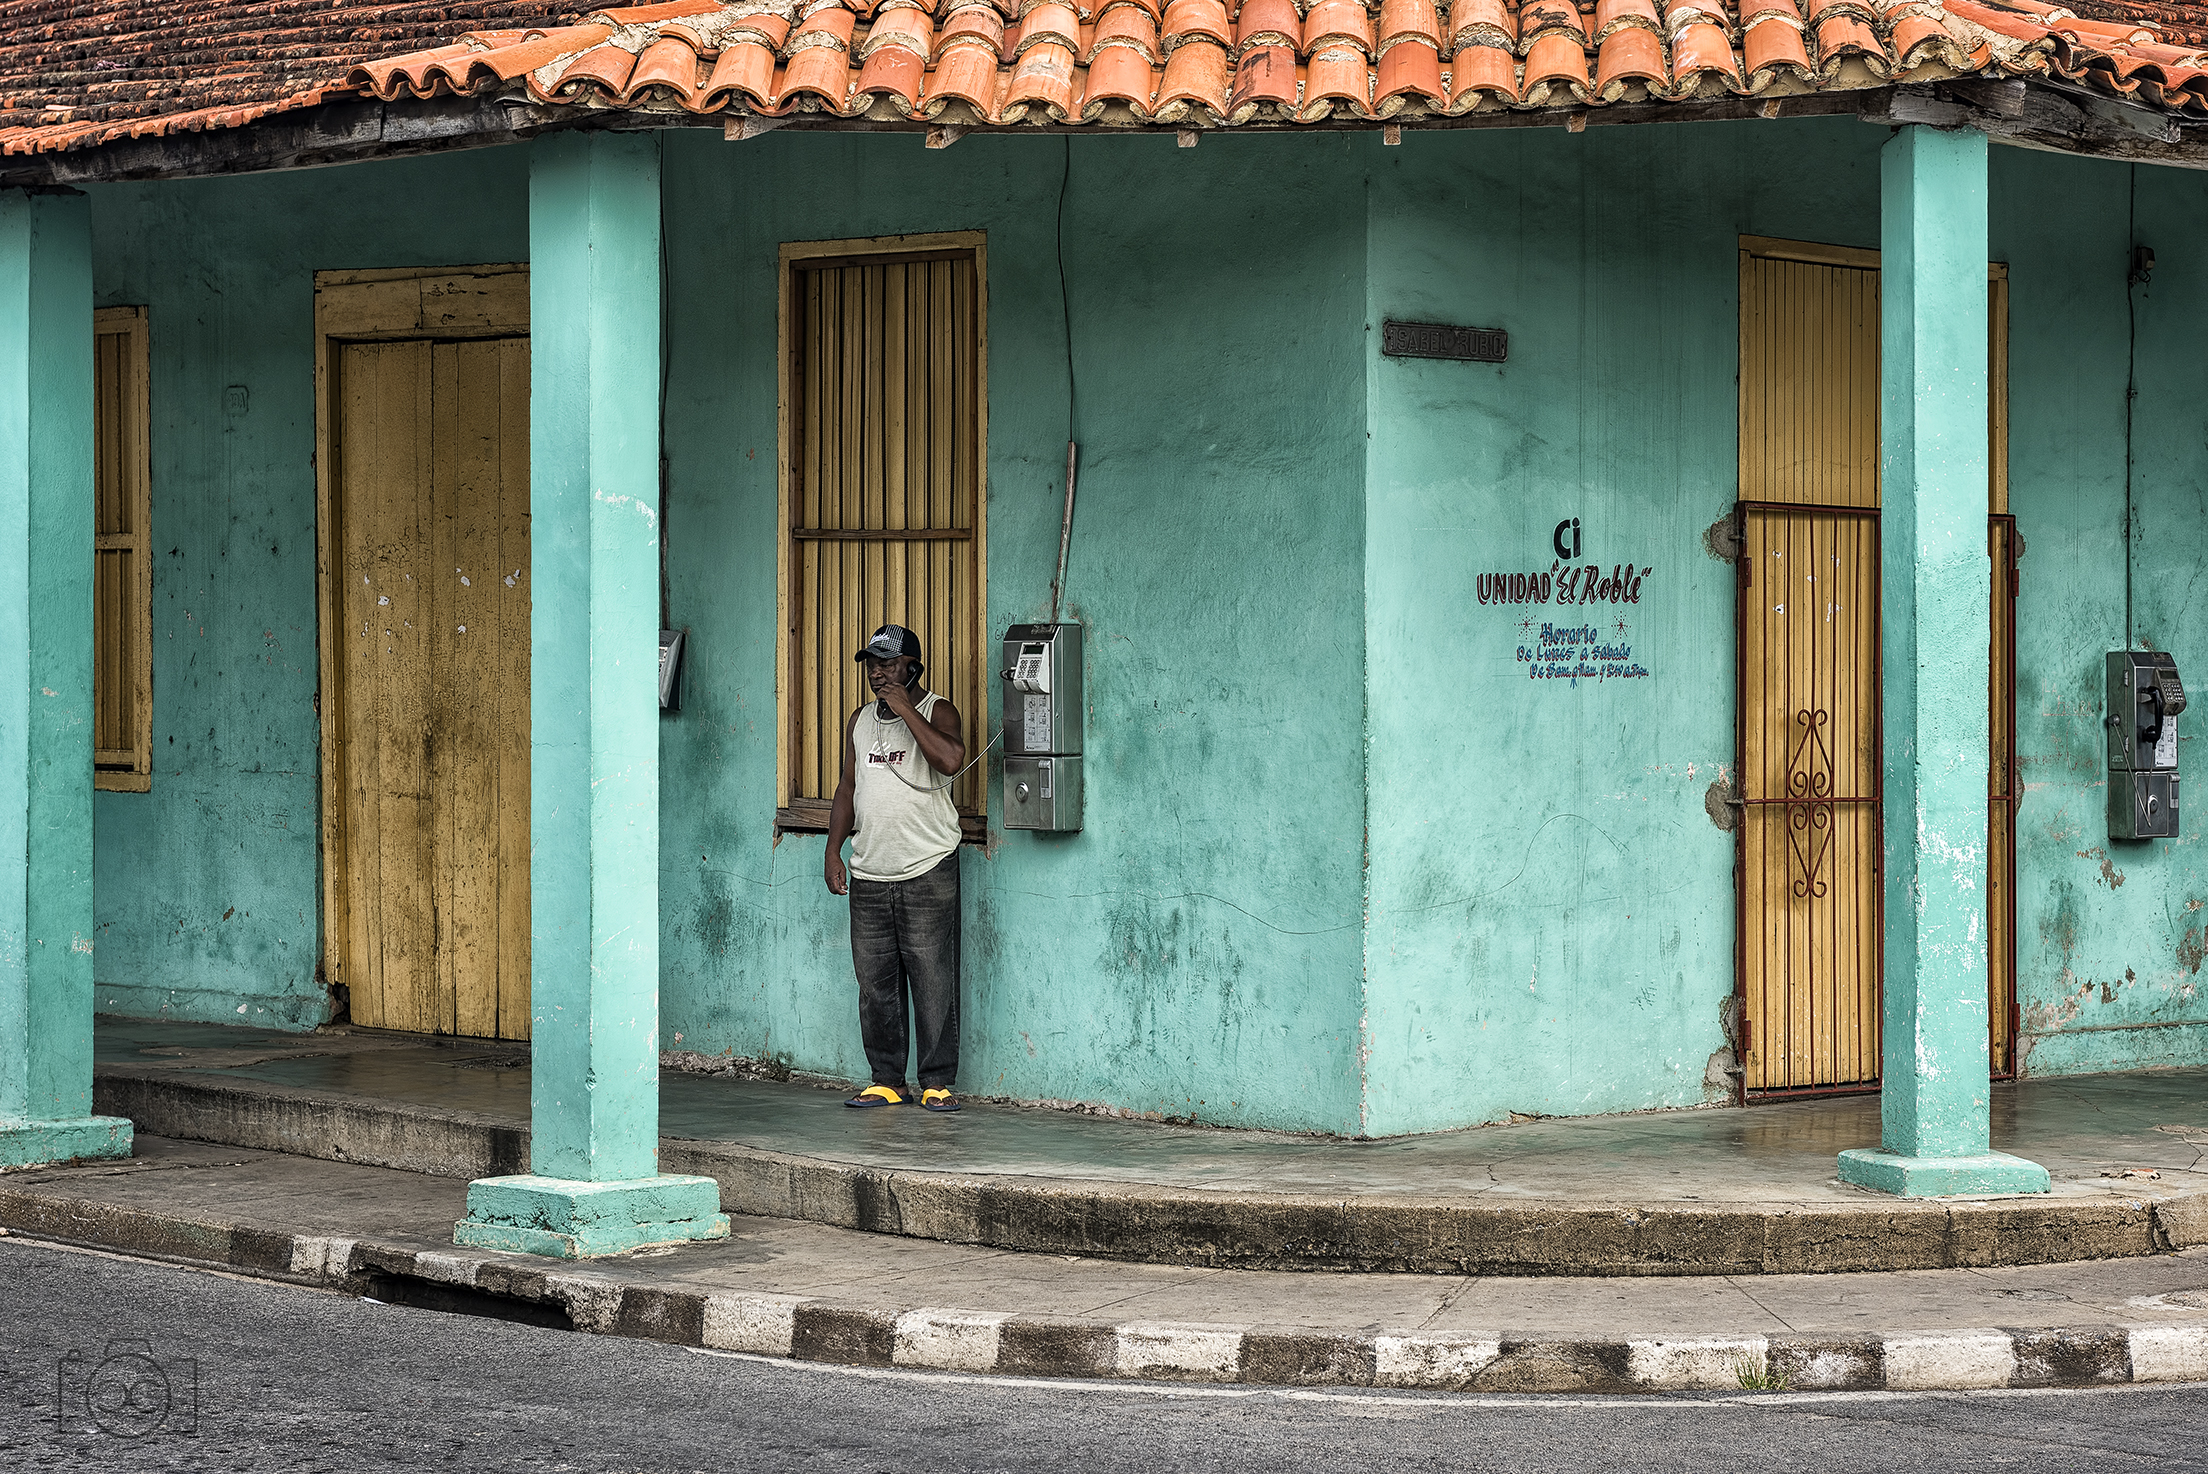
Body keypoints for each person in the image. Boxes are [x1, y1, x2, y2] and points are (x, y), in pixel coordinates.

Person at [825, 623, 968, 1112]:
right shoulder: (859, 721)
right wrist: (833, 850)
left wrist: (906, 709)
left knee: (933, 978)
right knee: (876, 984)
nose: (877, 673)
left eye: (888, 664)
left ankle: (937, 1081)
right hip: (870, 872)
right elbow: (848, 789)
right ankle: (887, 1079)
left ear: (912, 668)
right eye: (872, 663)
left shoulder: (937, 710)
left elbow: (951, 760)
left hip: (927, 869)